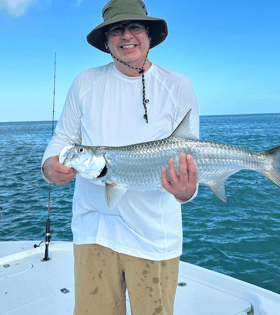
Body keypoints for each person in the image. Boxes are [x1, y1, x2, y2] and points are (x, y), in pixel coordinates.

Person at [41, 0, 199, 314]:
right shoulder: (85, 82)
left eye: (135, 26)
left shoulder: (178, 86)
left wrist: (187, 192)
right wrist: (50, 167)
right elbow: (62, 139)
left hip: (154, 234)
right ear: (107, 41)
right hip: (93, 229)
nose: (127, 35)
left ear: (149, 35)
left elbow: (187, 154)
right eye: (117, 29)